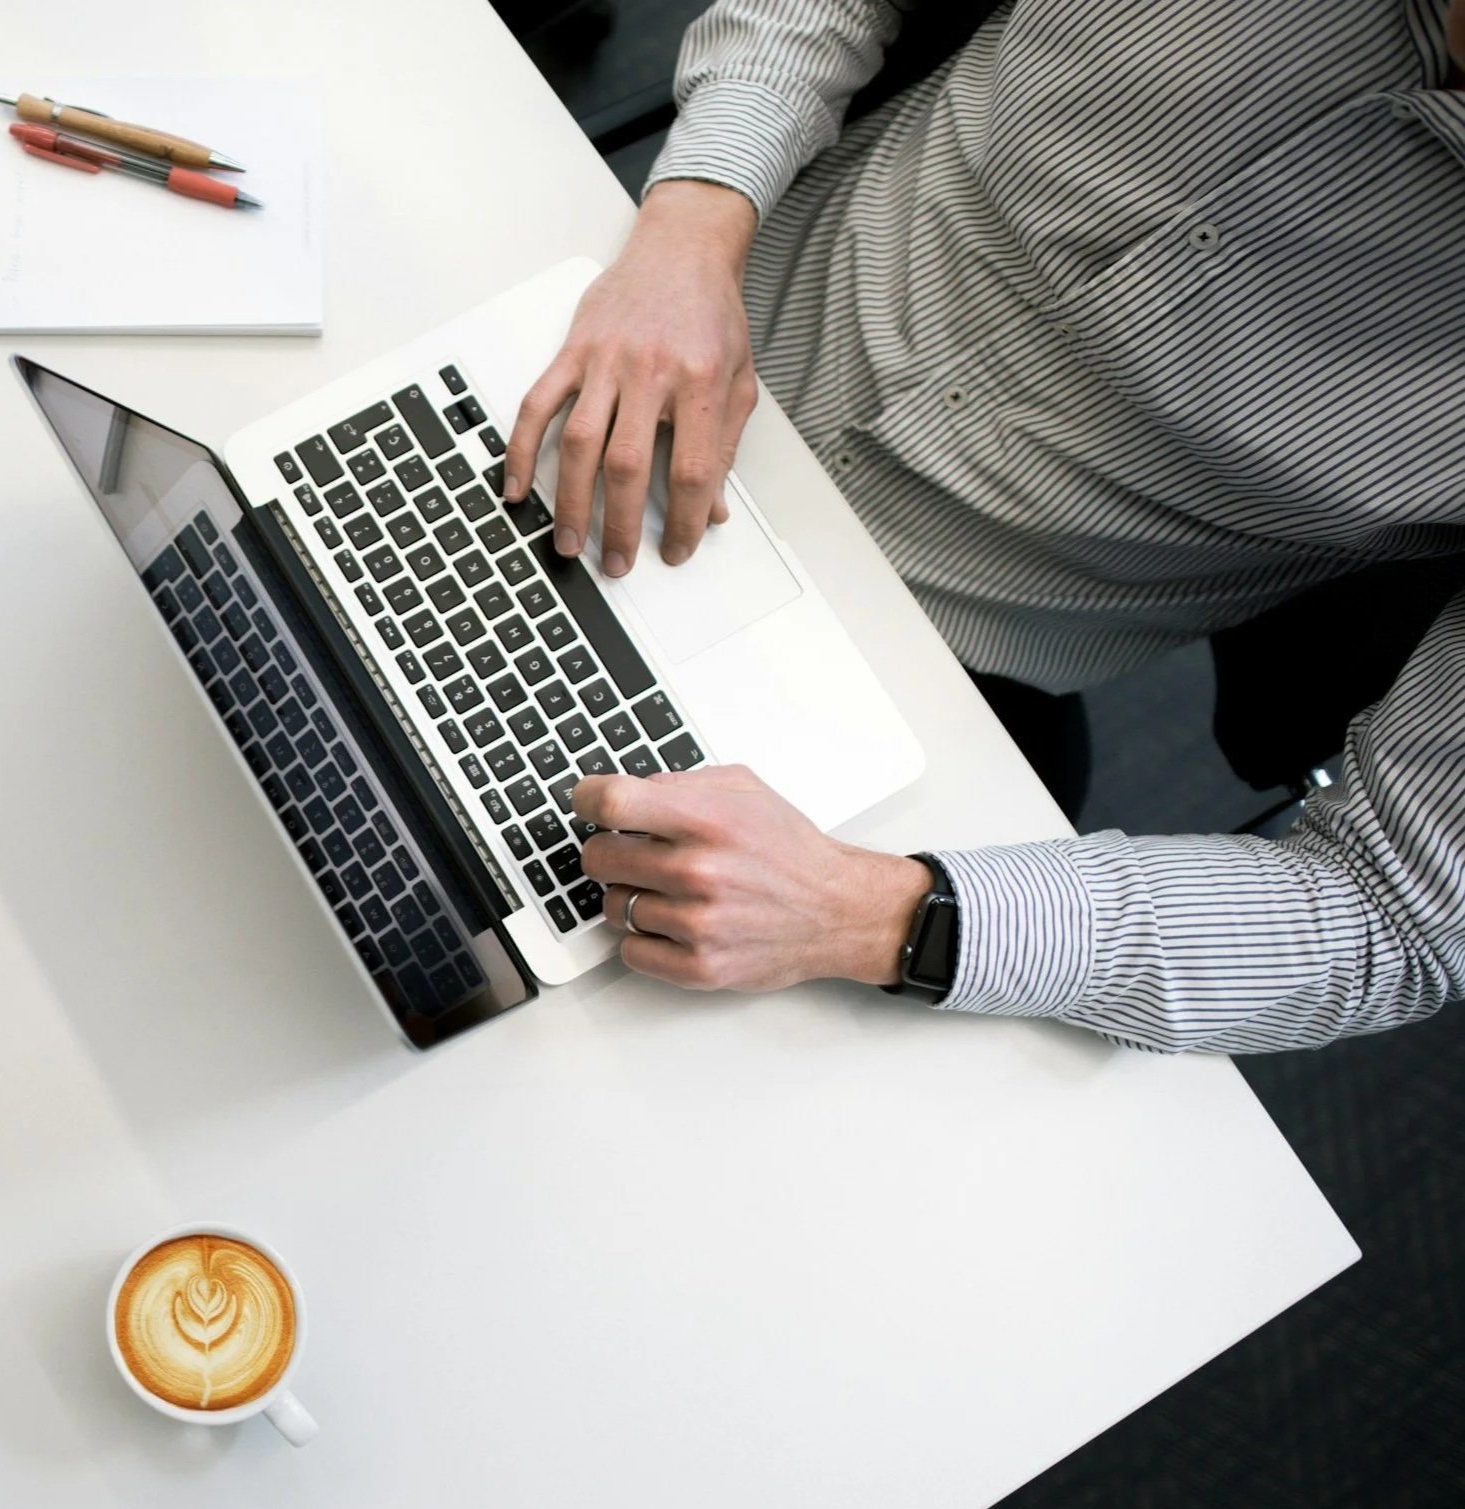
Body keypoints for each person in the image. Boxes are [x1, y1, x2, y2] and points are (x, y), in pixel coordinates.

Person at [502, 0, 1465, 1053]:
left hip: (902, 678)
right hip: (623, 311)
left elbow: (1391, 911)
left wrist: (872, 914)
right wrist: (694, 221)